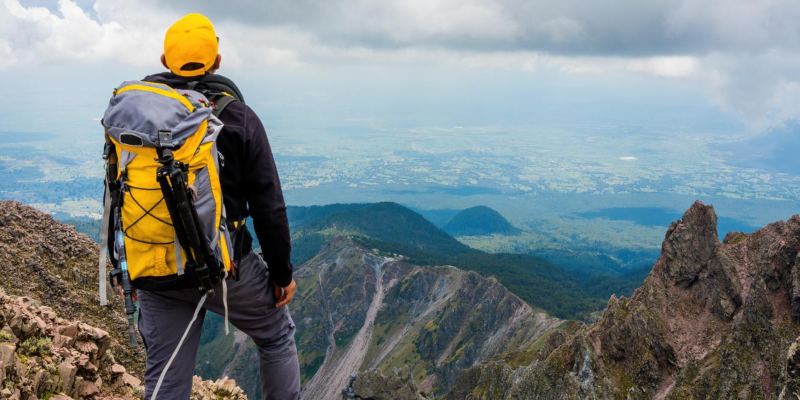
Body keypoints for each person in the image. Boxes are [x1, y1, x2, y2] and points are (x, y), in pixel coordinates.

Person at [132, 14, 300, 400]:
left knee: (165, 376)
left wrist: (132, 265)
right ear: (218, 62)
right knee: (276, 336)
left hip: (155, 266)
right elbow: (269, 207)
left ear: (163, 61)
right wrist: (282, 272)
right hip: (225, 268)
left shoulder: (138, 119)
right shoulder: (238, 118)